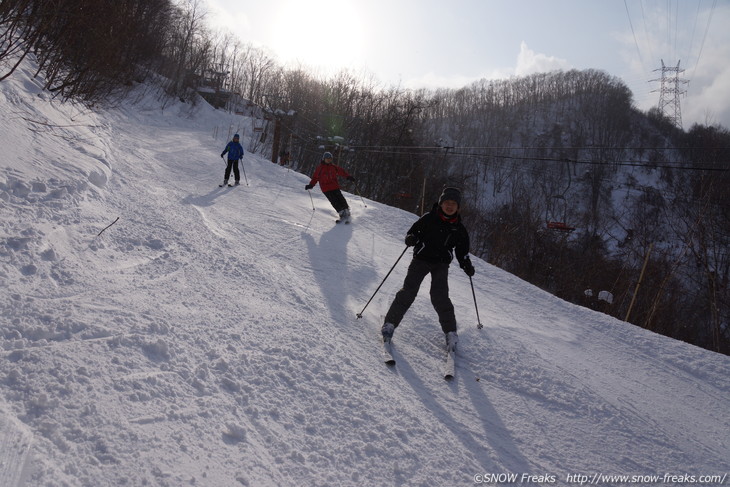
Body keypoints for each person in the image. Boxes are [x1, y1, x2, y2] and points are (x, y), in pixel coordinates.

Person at [381, 187, 475, 352]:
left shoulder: (459, 229)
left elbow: (462, 251)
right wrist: (412, 238)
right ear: (441, 203)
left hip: (441, 264)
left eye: (453, 204)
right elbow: (413, 232)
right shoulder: (429, 218)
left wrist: (466, 264)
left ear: (458, 207)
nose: (450, 206)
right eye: (447, 203)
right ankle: (390, 324)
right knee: (408, 291)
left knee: (440, 297)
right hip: (421, 260)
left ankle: (451, 333)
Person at [305, 151, 355, 222]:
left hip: (334, 186)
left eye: (330, 159)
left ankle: (346, 210)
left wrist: (348, 177)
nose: (329, 160)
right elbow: (315, 178)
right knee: (333, 200)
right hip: (326, 188)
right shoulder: (320, 168)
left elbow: (342, 172)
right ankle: (341, 212)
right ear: (323, 159)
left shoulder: (333, 167)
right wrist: (311, 185)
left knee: (340, 198)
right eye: (327, 159)